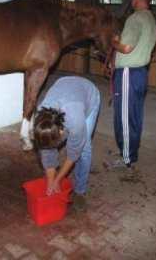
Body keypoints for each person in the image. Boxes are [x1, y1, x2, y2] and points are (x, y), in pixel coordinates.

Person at [33, 76, 100, 211]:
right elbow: (46, 150)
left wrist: (58, 180)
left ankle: (80, 190)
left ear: (62, 130)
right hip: (64, 83)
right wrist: (50, 182)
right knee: (48, 143)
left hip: (88, 94)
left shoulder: (75, 122)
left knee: (84, 148)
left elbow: (73, 153)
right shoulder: (41, 119)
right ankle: (61, 182)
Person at [109, 0, 156, 169]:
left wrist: (114, 42)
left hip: (128, 73)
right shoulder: (151, 19)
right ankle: (128, 150)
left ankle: (127, 158)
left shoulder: (135, 18)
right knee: (135, 115)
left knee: (124, 117)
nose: (131, 1)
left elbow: (127, 48)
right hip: (140, 73)